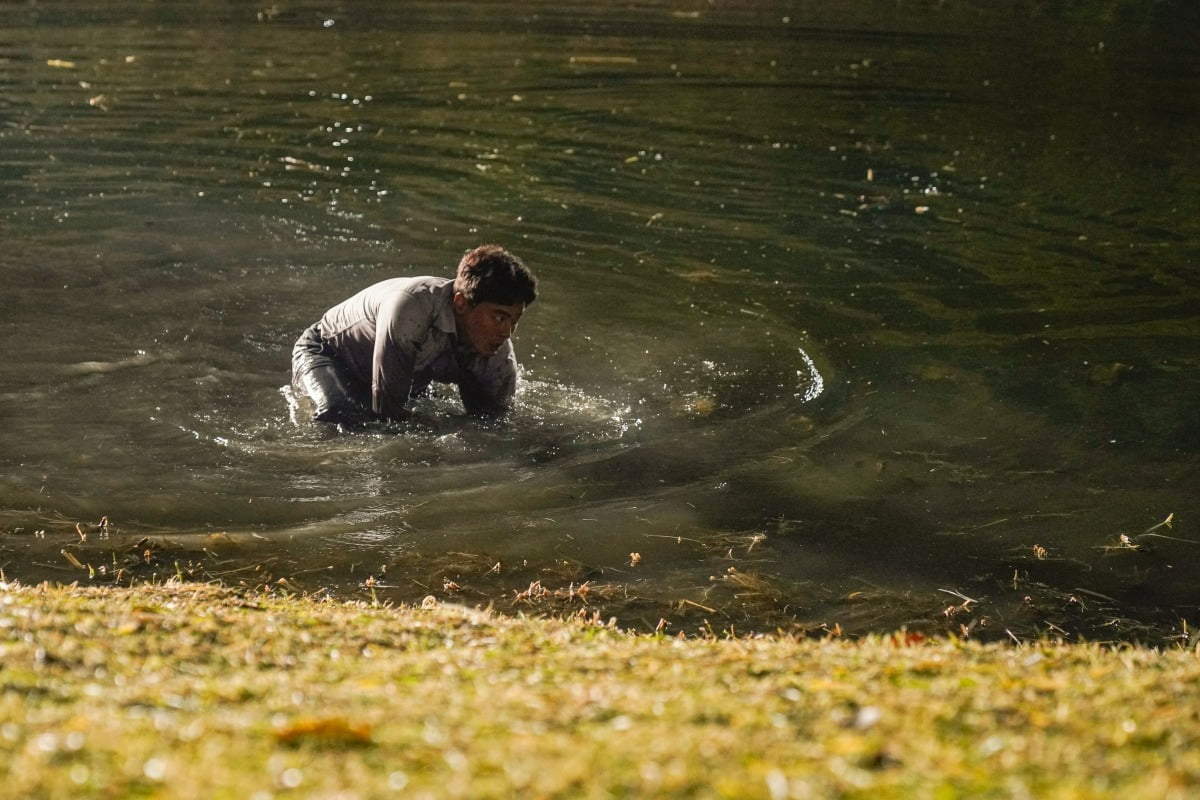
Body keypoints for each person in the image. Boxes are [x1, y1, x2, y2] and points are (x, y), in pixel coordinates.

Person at [291, 244, 537, 426]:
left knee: (487, 422)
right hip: (328, 352)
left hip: (403, 370)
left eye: (515, 320)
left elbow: (498, 423)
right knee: (345, 420)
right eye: (499, 317)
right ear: (461, 303)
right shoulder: (410, 308)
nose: (506, 332)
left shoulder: (497, 352)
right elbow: (387, 412)